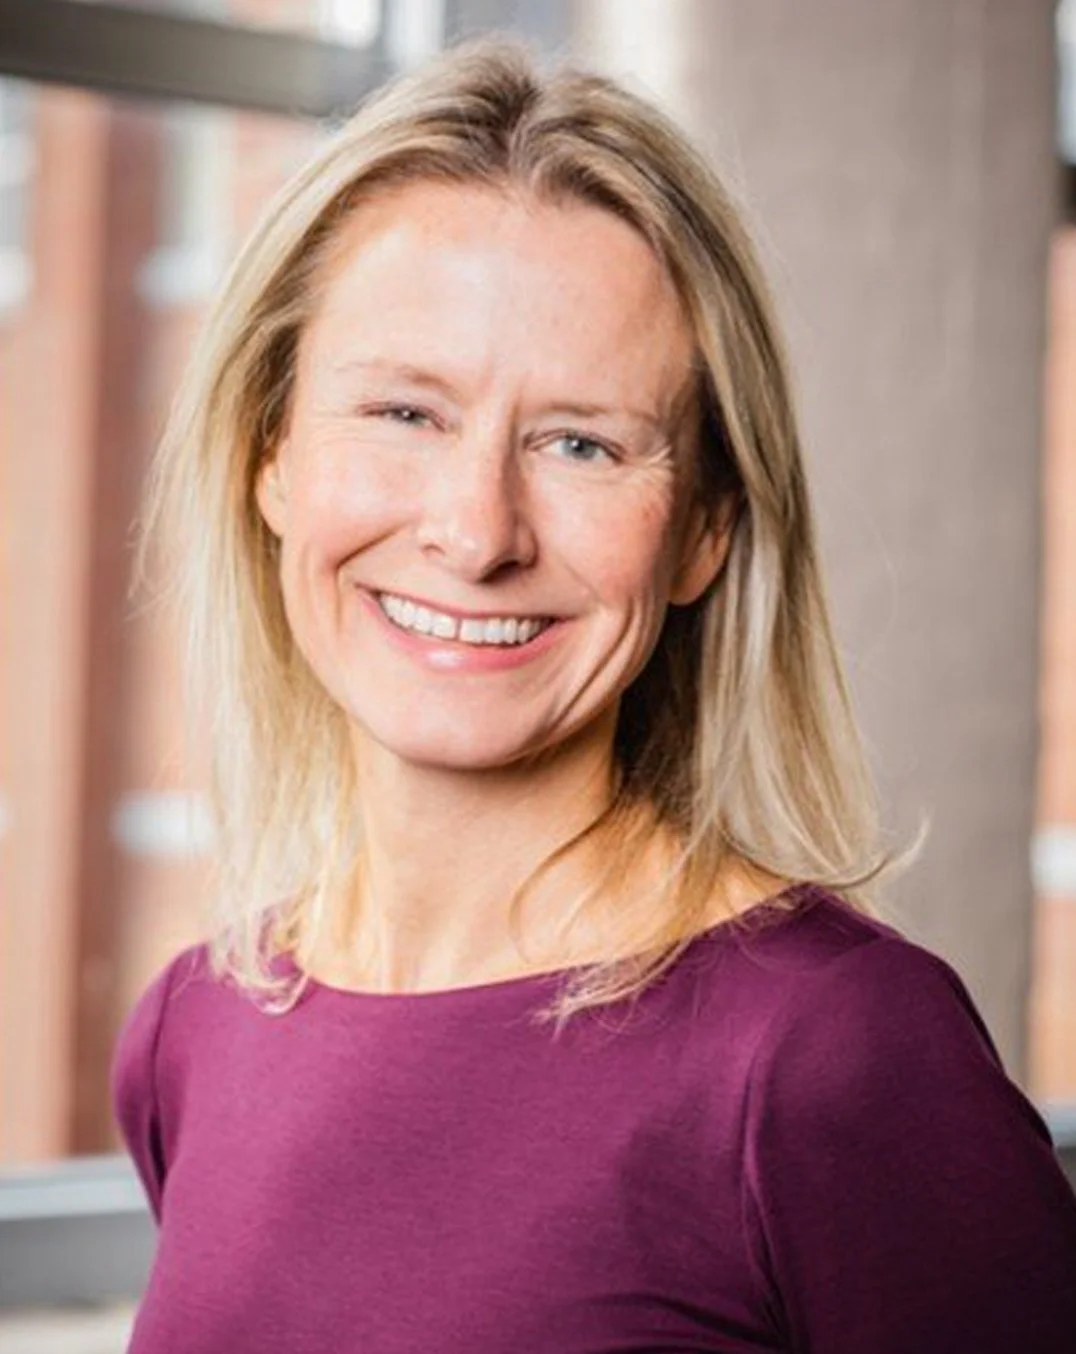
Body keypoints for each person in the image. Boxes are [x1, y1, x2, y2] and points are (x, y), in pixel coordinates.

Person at [111, 37, 1076, 1354]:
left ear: (703, 530)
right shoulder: (195, 1027)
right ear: (271, 455)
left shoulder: (833, 1055)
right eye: (404, 414)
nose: (476, 532)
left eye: (581, 443)